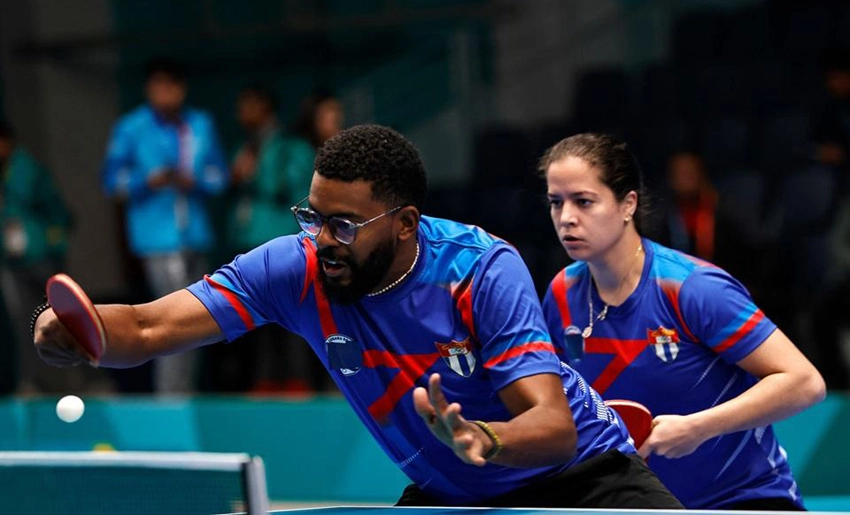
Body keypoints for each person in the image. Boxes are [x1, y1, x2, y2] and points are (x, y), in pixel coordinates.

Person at [34, 125, 681, 508]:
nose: (321, 238)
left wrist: (487, 439)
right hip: (452, 495)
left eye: (343, 224)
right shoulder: (296, 268)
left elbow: (554, 426)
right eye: (313, 217)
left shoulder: (480, 270)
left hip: (583, 480)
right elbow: (149, 327)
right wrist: (82, 329)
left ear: (404, 225)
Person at [538, 132, 826, 510]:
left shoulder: (691, 288)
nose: (567, 218)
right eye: (556, 203)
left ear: (628, 204)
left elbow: (804, 383)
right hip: (641, 504)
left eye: (584, 201)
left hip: (743, 501)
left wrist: (698, 428)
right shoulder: (562, 293)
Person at [100, 57, 228, 394]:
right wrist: (147, 180)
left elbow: (219, 176)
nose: (165, 93)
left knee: (203, 319)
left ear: (181, 89)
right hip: (157, 238)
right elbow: (113, 182)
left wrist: (196, 181)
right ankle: (171, 399)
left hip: (195, 235)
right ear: (148, 89)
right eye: (158, 86)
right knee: (169, 320)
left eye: (171, 86)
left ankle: (191, 396)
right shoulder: (131, 128)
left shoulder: (200, 124)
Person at [0, 120, 113, 395]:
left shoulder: (28, 171)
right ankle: (32, 384)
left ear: (7, 141)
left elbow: (60, 212)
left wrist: (53, 243)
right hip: (12, 263)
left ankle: (94, 379)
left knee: (67, 318)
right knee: (24, 323)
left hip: (42, 259)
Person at [222, 85, 317, 394]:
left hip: (283, 244)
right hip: (248, 243)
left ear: (265, 107)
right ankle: (263, 382)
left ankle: (297, 385)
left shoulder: (292, 146)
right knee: (257, 318)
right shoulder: (244, 147)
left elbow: (295, 191)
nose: (241, 114)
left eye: (247, 105)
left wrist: (254, 176)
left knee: (291, 319)